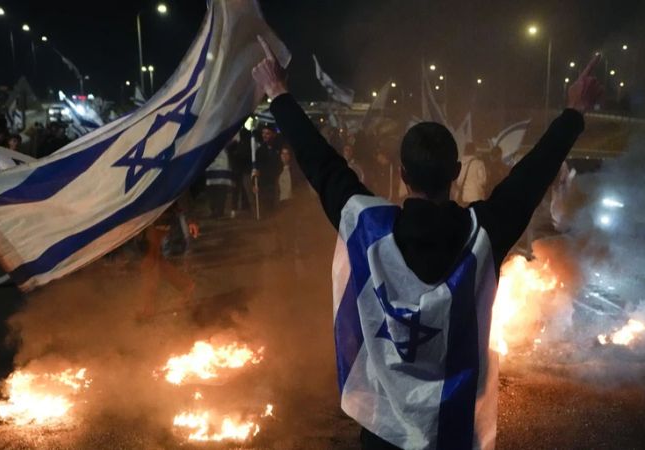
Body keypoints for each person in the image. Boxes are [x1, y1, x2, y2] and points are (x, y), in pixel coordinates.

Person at [253, 38, 603, 450]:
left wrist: (279, 94)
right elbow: (531, 176)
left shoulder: (370, 231)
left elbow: (322, 165)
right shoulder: (482, 236)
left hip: (385, 430)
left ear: (401, 173)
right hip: (452, 430)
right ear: (456, 172)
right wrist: (573, 111)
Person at [252, 125, 284, 218]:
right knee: (267, 206)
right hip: (265, 183)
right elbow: (256, 168)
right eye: (263, 133)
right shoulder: (260, 151)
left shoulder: (278, 148)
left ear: (273, 135)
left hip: (277, 181)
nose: (265, 135)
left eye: (267, 133)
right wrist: (254, 182)